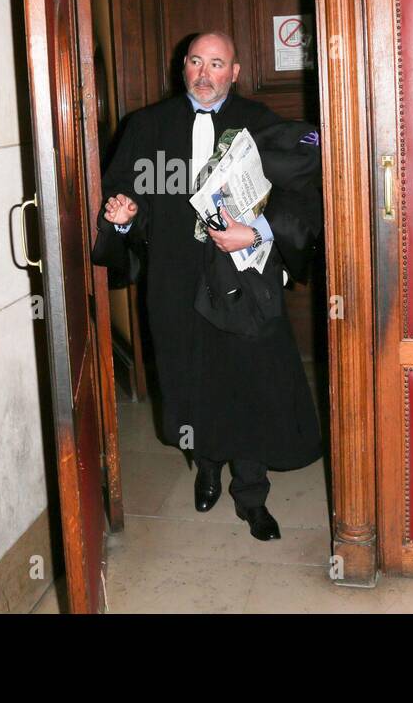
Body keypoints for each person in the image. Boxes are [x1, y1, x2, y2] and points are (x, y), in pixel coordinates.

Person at [92, 31, 323, 541]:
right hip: (174, 282)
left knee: (248, 381)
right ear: (184, 67)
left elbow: (305, 195)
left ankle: (252, 495)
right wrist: (125, 216)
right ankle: (207, 467)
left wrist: (257, 230)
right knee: (190, 379)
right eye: (196, 61)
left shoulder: (261, 125)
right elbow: (124, 198)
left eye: (217, 64)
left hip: (241, 279)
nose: (204, 73)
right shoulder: (147, 126)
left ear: (235, 72)